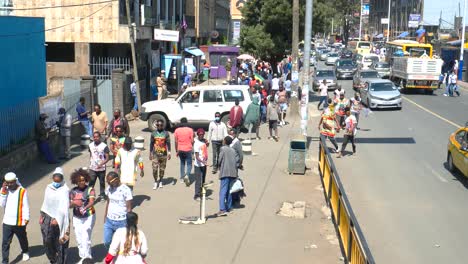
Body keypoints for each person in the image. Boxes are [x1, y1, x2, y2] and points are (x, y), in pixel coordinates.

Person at [40, 167, 70, 264]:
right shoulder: (49, 187)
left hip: (61, 219)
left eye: (59, 180)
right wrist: (42, 215)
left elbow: (64, 207)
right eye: (55, 179)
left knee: (61, 242)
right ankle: (53, 258)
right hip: (47, 217)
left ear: (62, 179)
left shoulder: (65, 190)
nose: (56, 182)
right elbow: (45, 203)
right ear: (53, 178)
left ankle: (60, 261)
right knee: (47, 241)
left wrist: (57, 219)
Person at [0, 172, 30, 264]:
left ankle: (25, 251)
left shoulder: (22, 191)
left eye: (11, 182)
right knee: (5, 242)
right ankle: (5, 261)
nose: (9, 184)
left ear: (15, 181)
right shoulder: (4, 190)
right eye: (7, 182)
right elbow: (2, 204)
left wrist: (26, 218)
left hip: (19, 221)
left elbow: (26, 205)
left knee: (22, 238)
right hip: (7, 221)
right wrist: (3, 192)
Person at [69, 169, 96, 261]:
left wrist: (84, 207)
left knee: (85, 236)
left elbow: (92, 202)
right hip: (77, 217)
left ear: (86, 180)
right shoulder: (73, 191)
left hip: (89, 216)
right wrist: (73, 204)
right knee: (79, 238)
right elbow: (70, 205)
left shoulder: (90, 190)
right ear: (76, 181)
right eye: (79, 180)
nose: (81, 182)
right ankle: (82, 257)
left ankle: (87, 258)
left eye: (83, 180)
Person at [103, 172, 132, 250]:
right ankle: (113, 253)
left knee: (123, 244)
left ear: (117, 179)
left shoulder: (126, 190)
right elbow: (108, 203)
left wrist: (130, 223)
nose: (109, 184)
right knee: (107, 242)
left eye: (110, 182)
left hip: (122, 222)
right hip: (109, 220)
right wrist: (105, 217)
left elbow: (129, 208)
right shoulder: (109, 188)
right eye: (108, 182)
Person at [216, 136, 238, 217]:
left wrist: (218, 166)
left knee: (223, 191)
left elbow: (220, 159)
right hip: (232, 173)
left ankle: (222, 209)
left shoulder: (223, 149)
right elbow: (236, 161)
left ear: (225, 141)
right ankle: (229, 207)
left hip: (225, 172)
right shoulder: (233, 150)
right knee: (229, 190)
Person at [149, 119, 172, 190]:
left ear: (163, 125)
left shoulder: (166, 133)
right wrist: (150, 153)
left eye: (161, 125)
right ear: (156, 125)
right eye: (158, 125)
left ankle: (161, 180)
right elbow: (151, 143)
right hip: (155, 154)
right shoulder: (153, 133)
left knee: (162, 169)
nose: (159, 126)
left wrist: (169, 152)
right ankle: (156, 181)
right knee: (154, 169)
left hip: (163, 154)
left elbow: (168, 143)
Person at [88, 132, 110, 200]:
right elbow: (91, 154)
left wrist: (101, 164)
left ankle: (102, 195)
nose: (96, 138)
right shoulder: (90, 145)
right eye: (94, 137)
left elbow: (107, 158)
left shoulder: (104, 146)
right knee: (91, 182)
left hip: (101, 168)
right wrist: (91, 162)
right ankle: (89, 195)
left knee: (102, 182)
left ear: (100, 137)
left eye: (97, 137)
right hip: (92, 168)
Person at [173, 118, 193, 186]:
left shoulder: (177, 130)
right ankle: (187, 175)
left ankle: (181, 178)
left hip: (180, 149)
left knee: (182, 163)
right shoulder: (190, 130)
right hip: (188, 149)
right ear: (186, 122)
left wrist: (176, 150)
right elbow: (192, 141)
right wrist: (191, 146)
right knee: (189, 164)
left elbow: (176, 141)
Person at [193, 129, 209, 201]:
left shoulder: (204, 141)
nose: (201, 135)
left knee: (203, 180)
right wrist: (203, 161)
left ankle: (202, 193)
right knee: (198, 180)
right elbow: (196, 157)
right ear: (198, 135)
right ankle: (196, 195)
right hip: (198, 165)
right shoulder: (196, 143)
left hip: (204, 164)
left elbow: (206, 147)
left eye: (202, 134)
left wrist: (207, 143)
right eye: (200, 134)